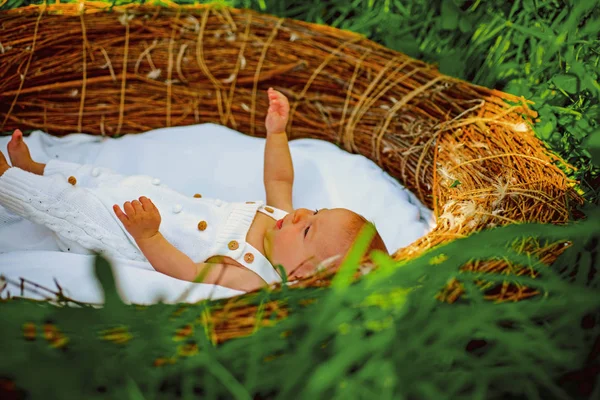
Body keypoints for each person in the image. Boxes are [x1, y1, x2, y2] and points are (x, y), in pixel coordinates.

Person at [0, 88, 387, 292]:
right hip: (149, 201)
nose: (302, 215)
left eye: (308, 230)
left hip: (130, 239)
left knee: (74, 207)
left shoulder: (254, 277)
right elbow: (280, 180)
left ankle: (10, 182)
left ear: (302, 276)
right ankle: (37, 168)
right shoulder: (280, 217)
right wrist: (277, 133)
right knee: (101, 178)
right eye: (316, 212)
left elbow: (187, 270)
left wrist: (149, 235)